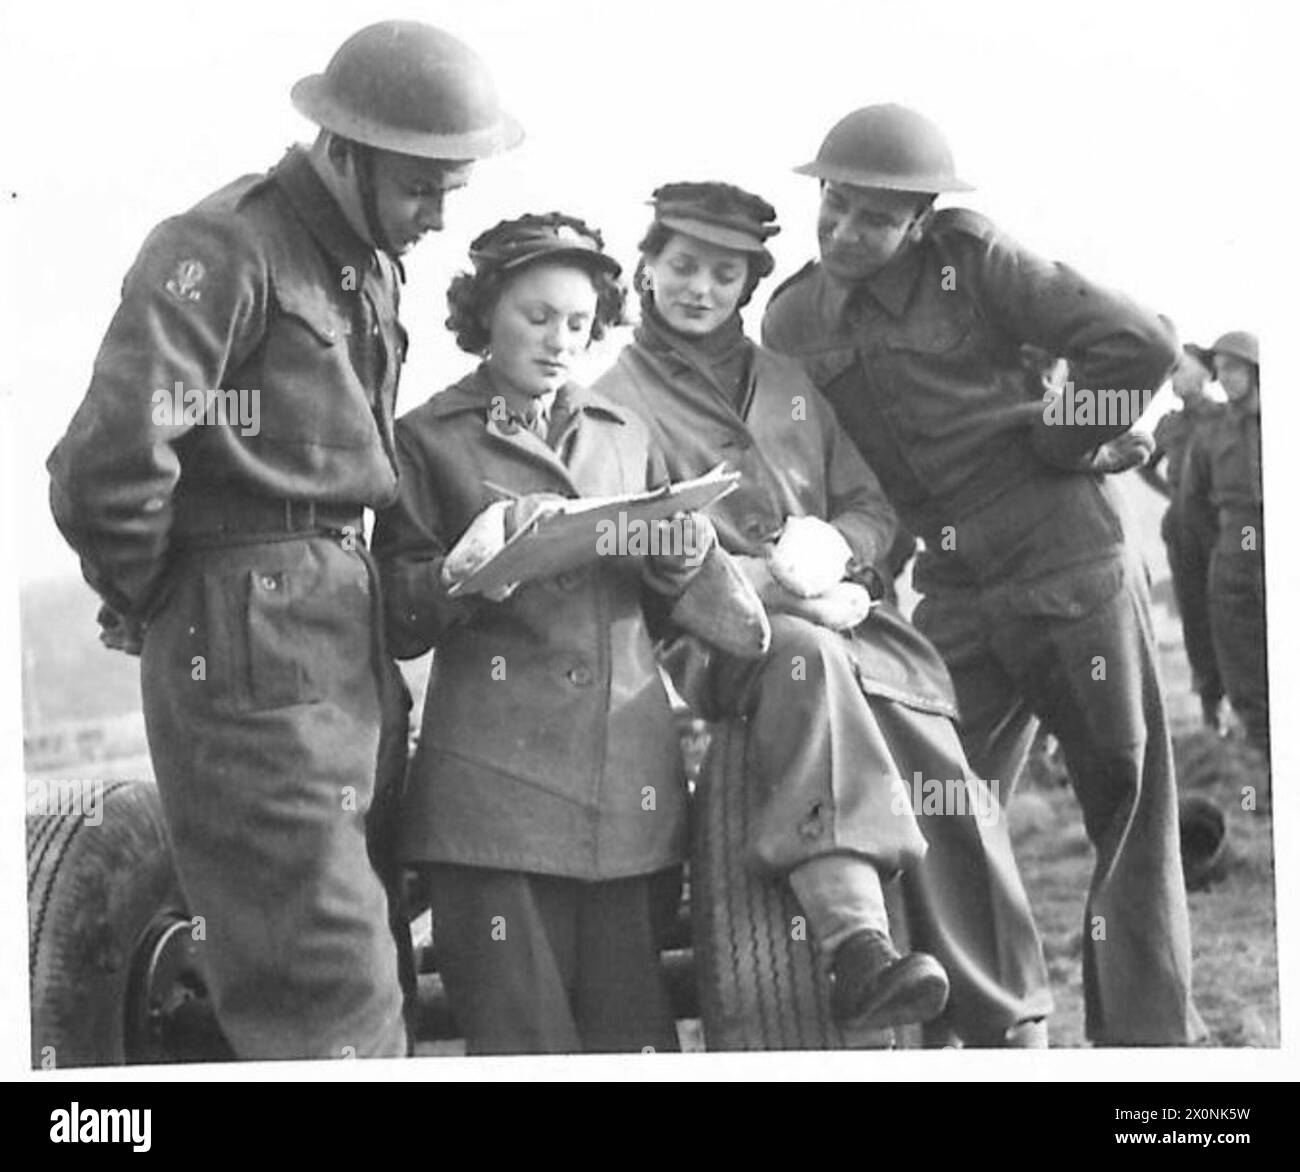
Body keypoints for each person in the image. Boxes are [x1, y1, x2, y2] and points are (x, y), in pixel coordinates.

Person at [45, 20, 522, 1061]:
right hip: (250, 649)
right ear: (343, 150)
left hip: (342, 647)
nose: (439, 217)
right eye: (419, 188)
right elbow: (107, 463)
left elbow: (366, 467)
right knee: (328, 999)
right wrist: (166, 595)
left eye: (453, 189)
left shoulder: (369, 264)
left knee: (371, 964)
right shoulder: (220, 246)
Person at [763, 104, 1206, 1045]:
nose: (846, 234)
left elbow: (1140, 346)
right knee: (937, 799)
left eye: (875, 220)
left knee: (1125, 810)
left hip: (1068, 563)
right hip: (954, 591)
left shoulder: (978, 262)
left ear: (921, 221)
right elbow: (820, 457)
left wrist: (1062, 436)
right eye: (833, 208)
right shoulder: (796, 318)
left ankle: (1146, 1056)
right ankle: (995, 1025)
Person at [593, 182, 1055, 1045]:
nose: (700, 288)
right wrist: (764, 582)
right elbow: (634, 543)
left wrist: (840, 549)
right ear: (647, 270)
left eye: (724, 274)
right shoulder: (614, 399)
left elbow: (873, 506)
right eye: (682, 266)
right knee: (804, 656)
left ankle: (1003, 1021)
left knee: (943, 781)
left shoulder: (790, 382)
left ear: (748, 285)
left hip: (856, 625)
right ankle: (855, 947)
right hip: (722, 637)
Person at [372, 213, 766, 1055]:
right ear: (485, 315)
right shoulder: (427, 440)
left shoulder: (626, 437)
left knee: (636, 1044)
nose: (559, 341)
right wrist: (458, 574)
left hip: (623, 803)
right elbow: (396, 618)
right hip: (492, 810)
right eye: (536, 317)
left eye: (579, 324)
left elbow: (672, 613)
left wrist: (677, 549)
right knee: (526, 1050)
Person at [1184, 331, 1267, 761]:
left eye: (1235, 367)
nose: (1226, 376)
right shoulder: (1211, 432)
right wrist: (1224, 543)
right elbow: (1192, 501)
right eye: (1221, 369)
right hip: (1233, 550)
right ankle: (1260, 755)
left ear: (1254, 370)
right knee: (1242, 661)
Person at [1139, 346, 1227, 731]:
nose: (1174, 378)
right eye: (1172, 371)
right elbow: (1146, 464)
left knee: (1227, 615)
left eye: (1182, 370)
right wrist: (1174, 496)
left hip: (1220, 533)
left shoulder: (1225, 419)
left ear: (1207, 375)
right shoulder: (1169, 423)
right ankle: (1211, 708)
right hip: (1181, 533)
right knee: (1194, 618)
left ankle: (1242, 703)